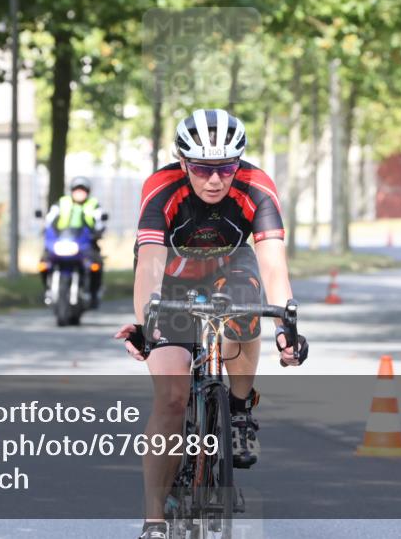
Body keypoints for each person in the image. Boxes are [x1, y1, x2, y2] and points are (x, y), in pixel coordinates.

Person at [114, 109, 308, 539]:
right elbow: (148, 264)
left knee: (248, 310)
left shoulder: (257, 188)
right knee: (170, 396)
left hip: (230, 270)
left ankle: (238, 412)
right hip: (170, 279)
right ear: (184, 164)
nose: (215, 179)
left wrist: (285, 327)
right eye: (203, 168)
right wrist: (145, 322)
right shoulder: (162, 189)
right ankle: (153, 520)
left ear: (239, 163)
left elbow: (273, 264)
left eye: (225, 167)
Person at [40, 176, 106, 308]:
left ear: (87, 192)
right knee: (43, 262)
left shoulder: (93, 204)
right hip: (62, 241)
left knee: (96, 264)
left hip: (85, 243)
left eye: (82, 190)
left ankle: (93, 292)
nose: (79, 193)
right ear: (72, 191)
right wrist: (44, 229)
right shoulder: (62, 203)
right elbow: (49, 220)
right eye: (77, 190)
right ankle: (47, 289)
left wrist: (98, 232)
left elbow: (100, 221)